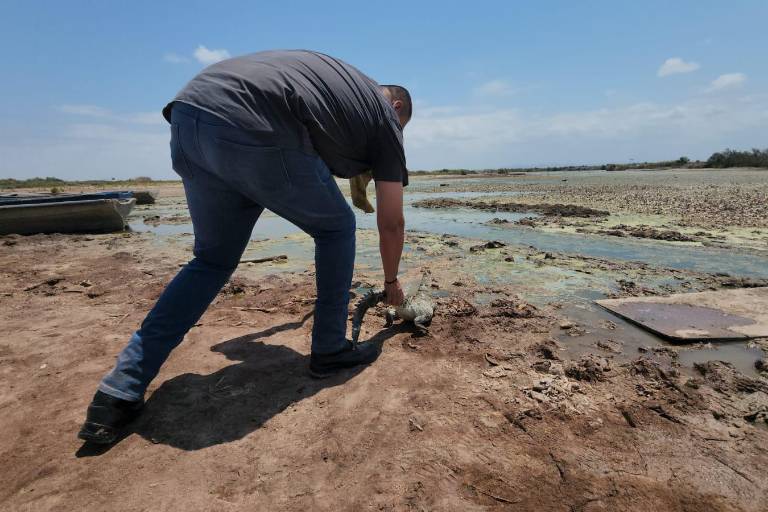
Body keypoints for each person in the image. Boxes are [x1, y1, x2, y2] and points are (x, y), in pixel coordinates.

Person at [78, 50, 411, 444]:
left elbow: (231, 346)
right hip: (257, 124)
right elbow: (390, 222)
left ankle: (118, 393)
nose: (398, 133)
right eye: (402, 125)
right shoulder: (383, 115)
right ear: (396, 105)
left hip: (189, 118)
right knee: (337, 229)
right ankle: (330, 349)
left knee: (212, 260)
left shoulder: (339, 90)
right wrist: (391, 282)